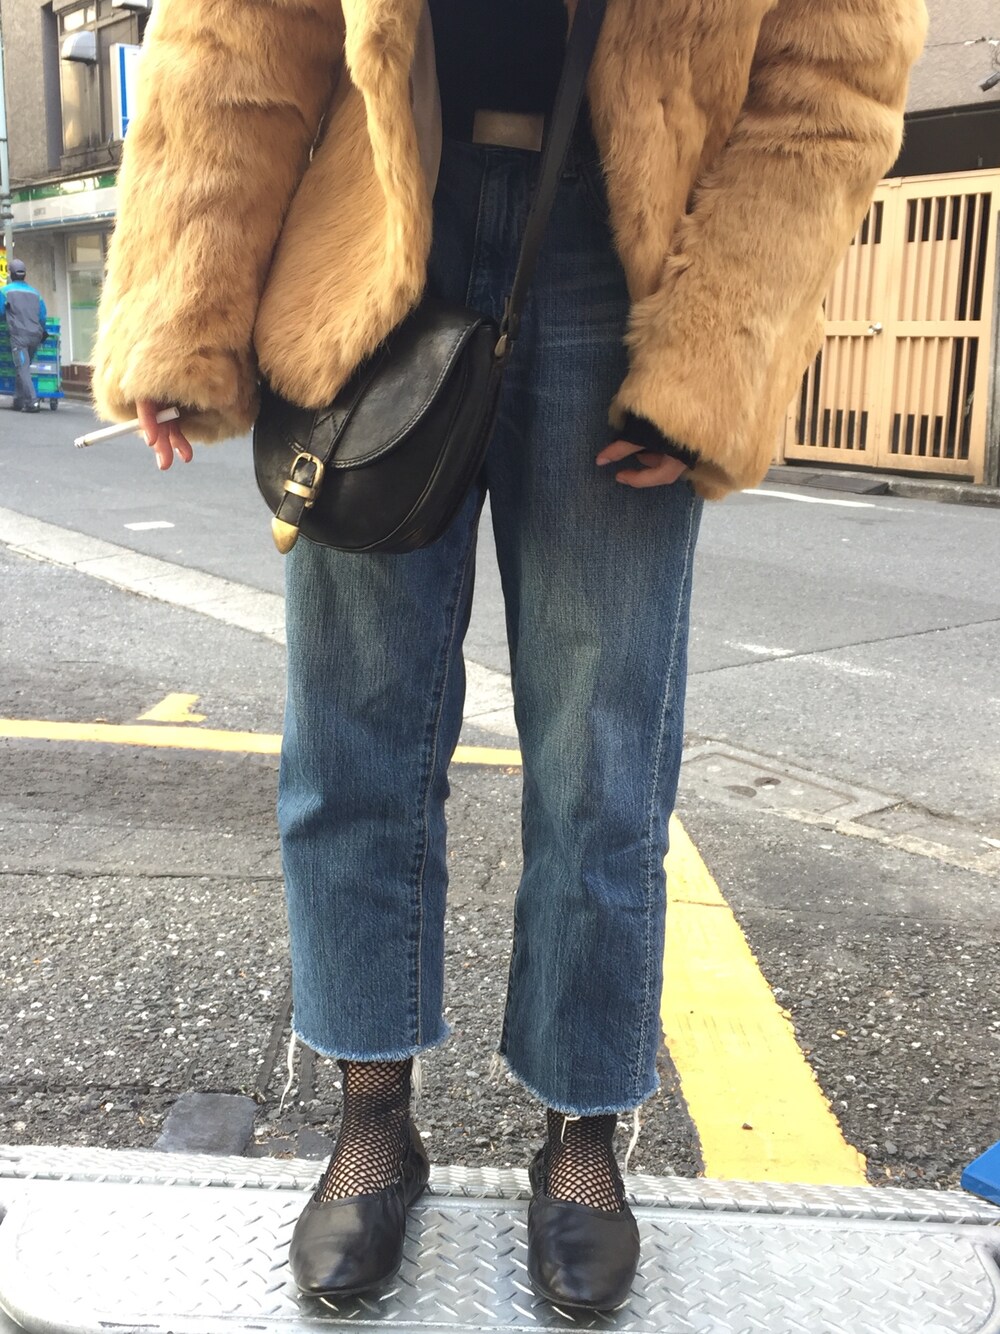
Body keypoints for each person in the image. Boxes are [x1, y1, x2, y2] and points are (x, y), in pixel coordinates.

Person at [91, 0, 927, 1311]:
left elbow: (833, 76)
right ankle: (373, 1121)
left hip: (627, 253)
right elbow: (233, 36)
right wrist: (179, 304)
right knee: (352, 739)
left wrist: (719, 345)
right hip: (378, 217)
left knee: (604, 758)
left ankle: (582, 1136)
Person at [1, 258, 47, 413]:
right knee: (23, 367)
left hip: (19, 336)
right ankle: (19, 400)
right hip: (36, 336)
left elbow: (0, 312)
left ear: (11, 274)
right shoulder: (35, 293)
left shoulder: (5, 291)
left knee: (22, 368)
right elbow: (42, 316)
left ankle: (32, 402)